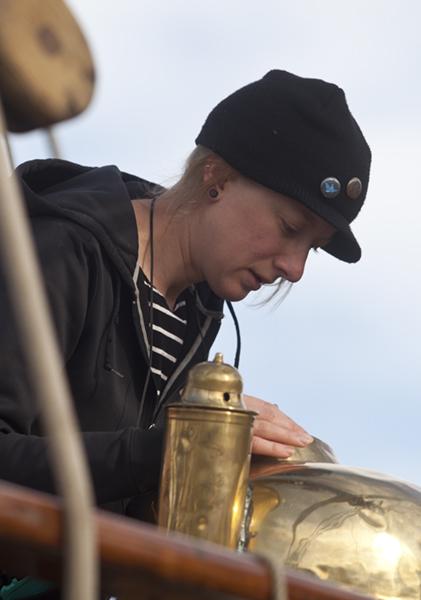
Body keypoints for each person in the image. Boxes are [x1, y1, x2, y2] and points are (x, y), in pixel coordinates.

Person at [0, 69, 371, 523]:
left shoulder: (197, 308)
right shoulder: (60, 251)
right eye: (289, 229)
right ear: (217, 176)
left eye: (310, 247)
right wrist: (181, 444)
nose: (294, 269)